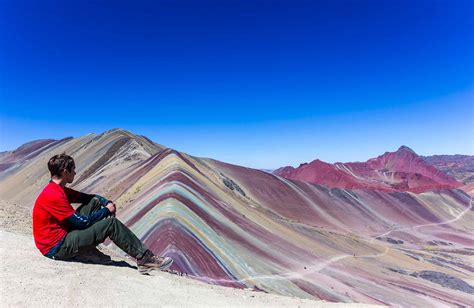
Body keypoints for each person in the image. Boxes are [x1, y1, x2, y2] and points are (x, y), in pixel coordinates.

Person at [32, 153, 173, 274]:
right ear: (65, 172)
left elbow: (89, 198)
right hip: (56, 247)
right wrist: (107, 210)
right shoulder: (54, 195)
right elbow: (82, 222)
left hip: (60, 236)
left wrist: (106, 202)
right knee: (111, 224)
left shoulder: (58, 189)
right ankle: (145, 259)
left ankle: (87, 248)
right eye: (73, 169)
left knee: (93, 202)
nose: (75, 172)